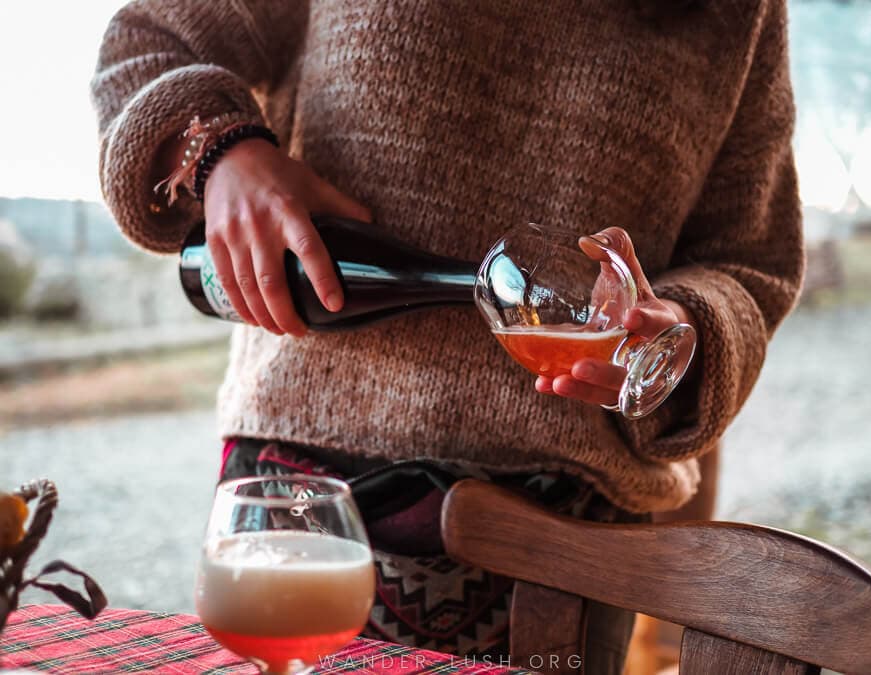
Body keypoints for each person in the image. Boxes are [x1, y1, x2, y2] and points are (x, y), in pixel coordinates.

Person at [91, 0, 804, 671]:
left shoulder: (741, 14)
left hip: (575, 551)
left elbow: (752, 263)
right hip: (304, 502)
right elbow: (146, 43)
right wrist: (221, 151)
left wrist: (682, 329)